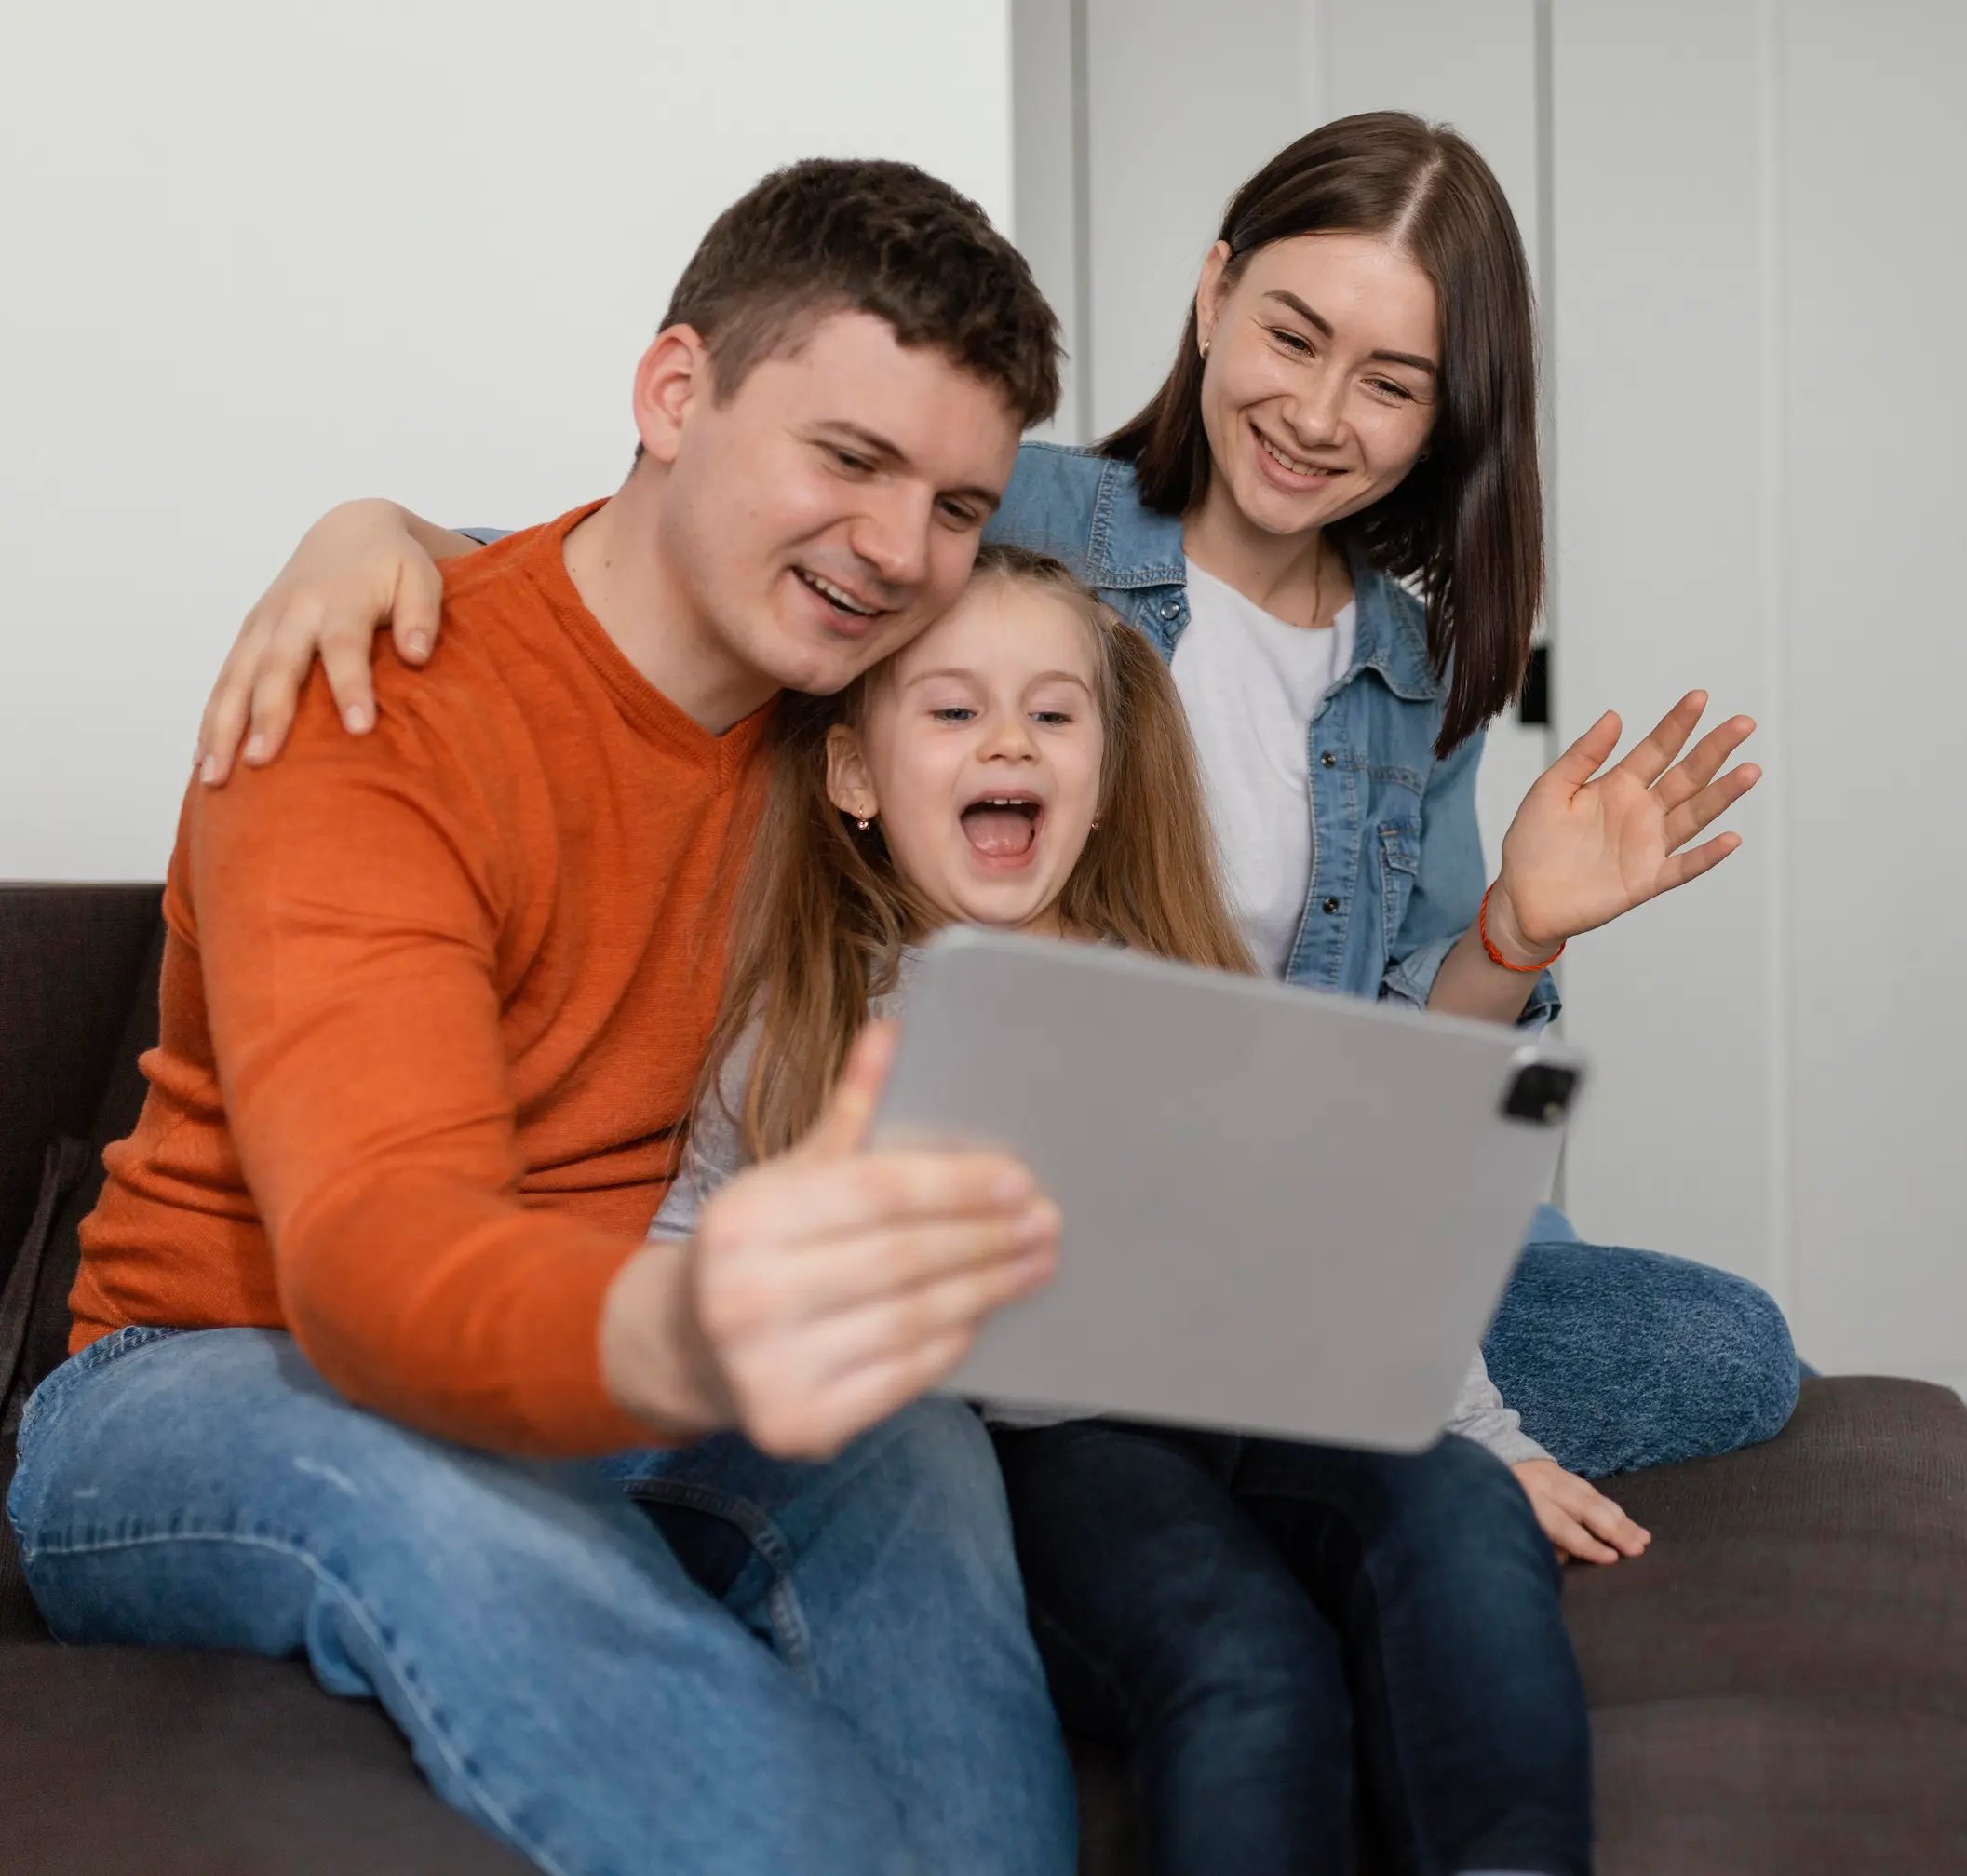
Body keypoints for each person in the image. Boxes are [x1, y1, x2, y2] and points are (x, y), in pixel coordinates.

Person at [197, 112, 1806, 1482]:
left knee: (1727, 1348)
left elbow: (1396, 1097)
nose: (1319, 417)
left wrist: (1516, 931)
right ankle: (1184, 1424)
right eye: (1294, 337)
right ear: (1213, 293)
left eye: (1390, 382)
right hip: (1005, 1220)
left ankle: (1231, 1409)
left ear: (1448, 411)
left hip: (1250, 1213)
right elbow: (674, 545)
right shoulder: (1014, 506)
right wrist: (373, 521)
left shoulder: (1408, 669)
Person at [8, 161, 1084, 1876]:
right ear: (674, 394)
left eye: (958, 503)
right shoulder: (366, 708)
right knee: (476, 1517)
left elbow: (1215, 518)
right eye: (848, 458)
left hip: (600, 1362)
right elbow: (378, 1270)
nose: (900, 551)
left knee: (912, 1444)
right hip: (208, 1375)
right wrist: (705, 1321)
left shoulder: (843, 708)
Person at [669, 541, 1643, 1874]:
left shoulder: (1191, 991)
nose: (1008, 737)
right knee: (1243, 1653)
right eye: (953, 710)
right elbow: (692, 1258)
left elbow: (1350, 1236)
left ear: (1107, 770)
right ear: (852, 775)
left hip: (1268, 1398)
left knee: (1467, 1514)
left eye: (1053, 713)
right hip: (1052, 1447)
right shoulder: (806, 1031)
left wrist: (1493, 1438)